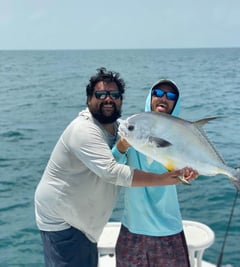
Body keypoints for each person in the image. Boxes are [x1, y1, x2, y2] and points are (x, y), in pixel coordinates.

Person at [34, 68, 196, 267]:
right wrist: (166, 177)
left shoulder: (120, 127)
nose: (108, 99)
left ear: (121, 99)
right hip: (67, 222)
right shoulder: (94, 130)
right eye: (100, 94)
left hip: (88, 225)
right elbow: (112, 170)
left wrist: (190, 172)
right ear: (88, 99)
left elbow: (190, 164)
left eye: (114, 95)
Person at [113, 79, 197, 267]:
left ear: (176, 103)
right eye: (158, 93)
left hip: (168, 230)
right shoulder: (133, 128)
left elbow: (181, 174)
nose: (163, 98)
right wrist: (122, 144)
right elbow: (111, 168)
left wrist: (187, 175)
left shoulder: (181, 136)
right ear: (150, 98)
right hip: (133, 228)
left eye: (171, 96)